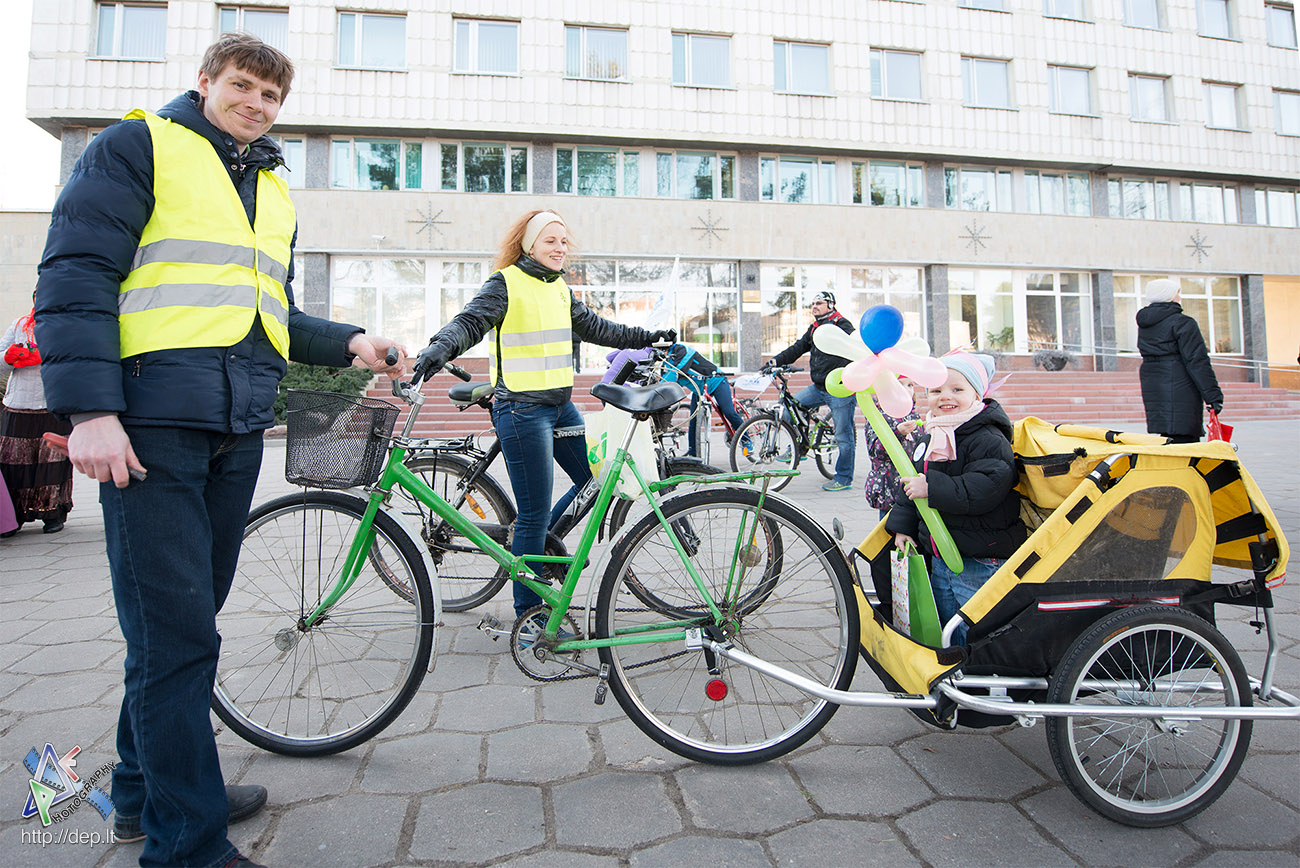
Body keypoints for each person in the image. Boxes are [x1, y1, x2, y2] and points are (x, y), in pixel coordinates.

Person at [35, 34, 404, 868]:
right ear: (205, 83)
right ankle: (185, 844)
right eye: (242, 86)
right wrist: (91, 410)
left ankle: (146, 791)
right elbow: (75, 277)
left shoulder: (270, 187)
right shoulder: (137, 146)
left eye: (271, 96)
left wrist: (350, 338)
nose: (257, 105)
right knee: (177, 639)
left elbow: (267, 317)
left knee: (183, 628)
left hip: (236, 428)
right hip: (151, 429)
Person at [413, 209, 674, 622]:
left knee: (595, 478)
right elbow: (470, 322)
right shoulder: (505, 283)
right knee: (533, 510)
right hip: (521, 409)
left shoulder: (559, 290)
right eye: (551, 240)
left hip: (559, 405)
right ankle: (529, 612)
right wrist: (440, 346)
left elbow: (597, 328)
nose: (560, 247)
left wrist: (646, 336)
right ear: (529, 244)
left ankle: (537, 544)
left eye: (564, 241)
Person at [886, 353, 1025, 645]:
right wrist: (903, 526)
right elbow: (912, 482)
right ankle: (952, 674)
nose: (945, 397)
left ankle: (978, 679)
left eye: (957, 390)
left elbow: (987, 486)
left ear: (977, 393)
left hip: (979, 557)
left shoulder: (987, 437)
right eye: (936, 391)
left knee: (973, 628)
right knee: (944, 621)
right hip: (941, 555)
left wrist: (932, 488)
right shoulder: (933, 433)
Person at [761, 290, 857, 491]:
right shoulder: (814, 328)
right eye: (812, 304)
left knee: (843, 436)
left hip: (840, 389)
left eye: (819, 303)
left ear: (831, 305)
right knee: (790, 410)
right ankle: (801, 447)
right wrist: (775, 361)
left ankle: (844, 477)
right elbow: (797, 349)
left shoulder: (842, 325)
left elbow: (857, 349)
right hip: (819, 386)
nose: (814, 306)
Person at [2, 291, 74, 536]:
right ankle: (13, 516)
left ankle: (52, 514)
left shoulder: (66, 326)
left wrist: (48, 357)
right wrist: (10, 357)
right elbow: (0, 360)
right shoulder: (19, 325)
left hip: (52, 403)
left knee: (51, 461)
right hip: (19, 404)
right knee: (14, 462)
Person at [1136, 278, 1224, 444]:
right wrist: (1213, 397)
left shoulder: (1146, 323)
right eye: (1177, 292)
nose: (1179, 297)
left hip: (1154, 384)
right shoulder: (1183, 323)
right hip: (1181, 384)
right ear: (1168, 295)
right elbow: (1197, 361)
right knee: (1185, 440)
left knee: (1168, 438)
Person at [661, 344, 745, 457]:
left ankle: (746, 440)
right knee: (693, 422)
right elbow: (666, 382)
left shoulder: (682, 350)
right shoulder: (666, 364)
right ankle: (693, 455)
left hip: (717, 381)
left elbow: (674, 373)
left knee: (728, 412)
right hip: (699, 391)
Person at [863, 378, 921, 520]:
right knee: (889, 527)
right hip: (889, 486)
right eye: (899, 385)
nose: (906, 389)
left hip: (910, 485)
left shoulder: (912, 414)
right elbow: (876, 450)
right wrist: (897, 433)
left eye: (910, 385)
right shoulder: (877, 415)